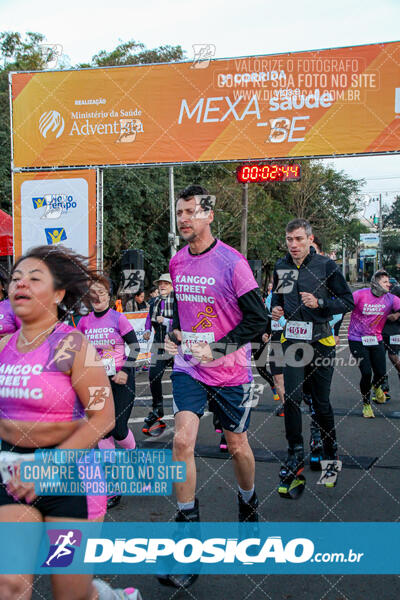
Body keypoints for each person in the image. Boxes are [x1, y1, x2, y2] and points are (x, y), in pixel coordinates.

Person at [0, 245, 141, 600]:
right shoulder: (4, 347)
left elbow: (103, 417)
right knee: (10, 585)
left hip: (68, 480)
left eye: (34, 279)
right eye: (16, 278)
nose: (21, 285)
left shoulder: (72, 345)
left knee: (72, 593)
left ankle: (111, 597)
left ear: (58, 293)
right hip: (11, 477)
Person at [160, 185, 268, 589]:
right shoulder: (176, 262)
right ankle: (188, 538)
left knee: (237, 445)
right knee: (181, 443)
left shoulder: (232, 263)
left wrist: (218, 347)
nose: (183, 219)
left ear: (208, 215)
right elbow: (181, 309)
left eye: (190, 212)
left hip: (229, 373)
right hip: (189, 367)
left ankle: (248, 504)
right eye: (179, 212)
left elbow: (259, 320)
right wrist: (175, 332)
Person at [271, 218, 354, 494]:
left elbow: (347, 301)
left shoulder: (326, 266)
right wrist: (277, 310)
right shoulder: (282, 266)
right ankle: (295, 452)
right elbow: (278, 300)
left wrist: (319, 303)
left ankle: (330, 453)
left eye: (298, 239)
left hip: (321, 340)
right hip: (293, 340)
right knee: (292, 399)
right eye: (289, 240)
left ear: (309, 239)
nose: (293, 245)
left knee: (321, 402)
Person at [77, 273, 138, 509]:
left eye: (101, 292)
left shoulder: (118, 318)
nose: (97, 297)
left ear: (109, 296)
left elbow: (135, 347)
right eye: (93, 293)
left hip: (121, 381)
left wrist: (125, 372)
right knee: (103, 432)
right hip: (98, 383)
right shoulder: (84, 322)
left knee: (119, 429)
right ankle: (113, 488)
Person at [348, 269, 400, 417]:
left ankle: (376, 387)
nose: (388, 285)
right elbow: (343, 309)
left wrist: (396, 314)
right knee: (366, 372)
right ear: (375, 283)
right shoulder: (360, 294)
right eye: (385, 282)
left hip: (376, 339)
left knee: (381, 373)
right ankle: (366, 404)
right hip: (356, 339)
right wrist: (336, 333)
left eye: (389, 282)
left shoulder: (390, 298)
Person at [142, 274, 174, 436]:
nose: (162, 286)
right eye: (161, 283)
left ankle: (183, 408)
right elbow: (149, 318)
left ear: (172, 286)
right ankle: (157, 407)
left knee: (180, 378)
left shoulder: (178, 302)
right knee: (153, 375)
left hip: (175, 345)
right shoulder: (154, 301)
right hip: (158, 343)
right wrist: (147, 330)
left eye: (166, 284)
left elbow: (183, 321)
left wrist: (167, 321)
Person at [381, 280, 400, 400]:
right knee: (379, 359)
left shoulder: (397, 291)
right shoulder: (378, 294)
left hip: (394, 331)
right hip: (380, 331)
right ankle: (383, 388)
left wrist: (397, 315)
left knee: (393, 357)